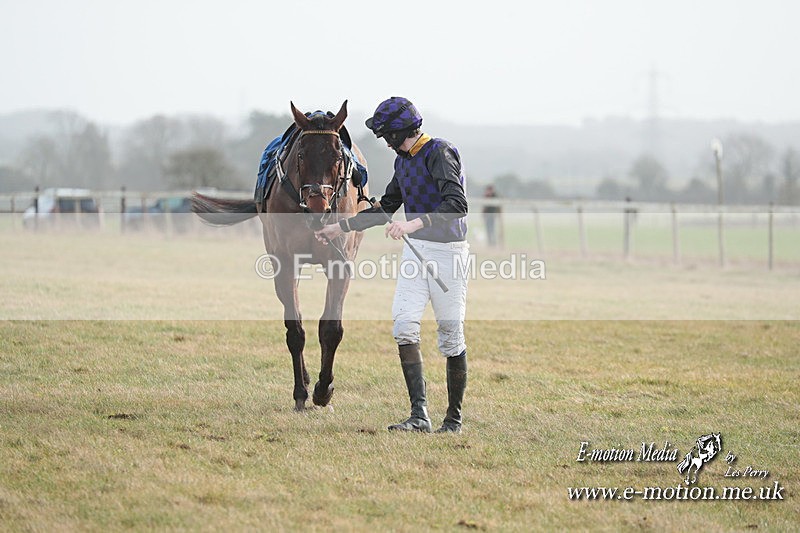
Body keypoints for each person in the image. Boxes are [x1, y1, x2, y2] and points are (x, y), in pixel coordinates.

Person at [315, 96, 469, 434]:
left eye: (386, 135)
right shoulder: (403, 163)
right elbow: (386, 207)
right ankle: (419, 415)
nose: (385, 141)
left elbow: (457, 204)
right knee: (403, 325)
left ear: (400, 132)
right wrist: (339, 227)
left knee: (450, 336)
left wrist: (412, 225)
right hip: (417, 254)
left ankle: (453, 420)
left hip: (449, 254)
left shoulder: (439, 152)